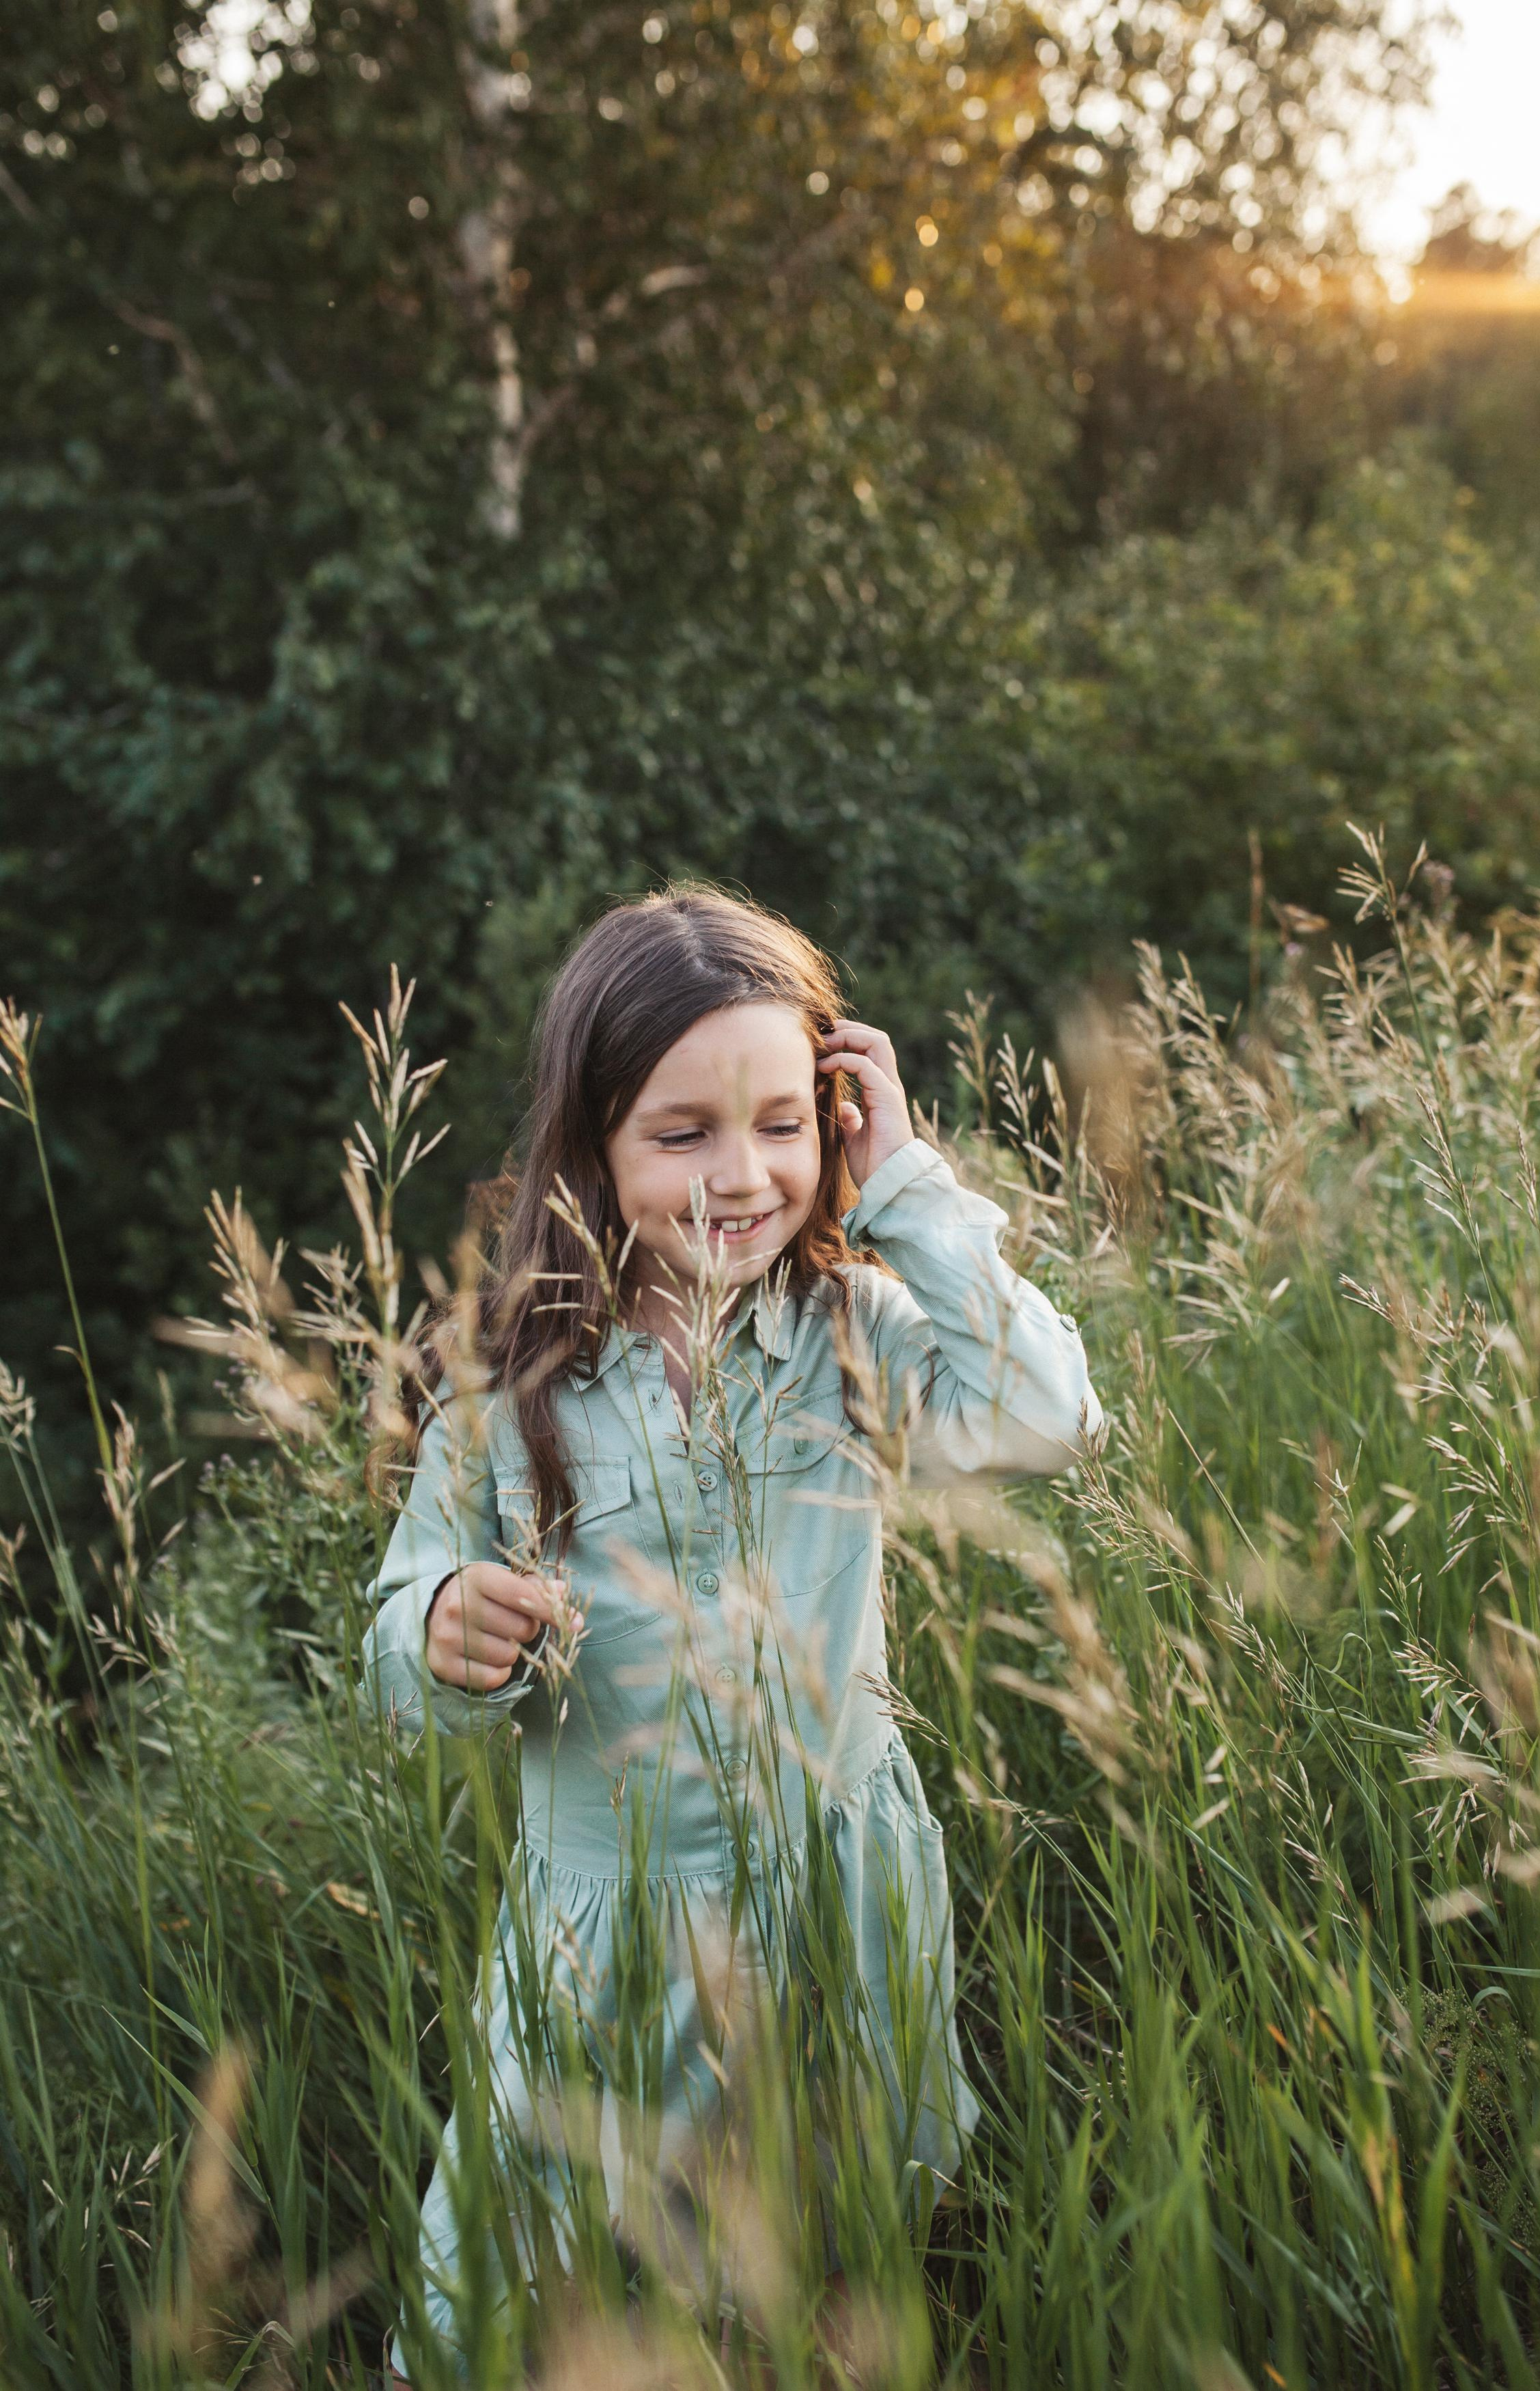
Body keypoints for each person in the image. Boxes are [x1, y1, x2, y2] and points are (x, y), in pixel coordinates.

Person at [363, 886, 1102, 2381]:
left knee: (826, 2278)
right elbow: (399, 1629)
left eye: (784, 1121)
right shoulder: (512, 1397)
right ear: (594, 1144)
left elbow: (1049, 1416)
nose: (740, 1174)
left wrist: (908, 1183)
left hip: (840, 1896)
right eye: (682, 1132)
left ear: (835, 1122)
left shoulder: (857, 1333)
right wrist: (448, 1626)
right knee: (511, 2297)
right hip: (607, 1934)